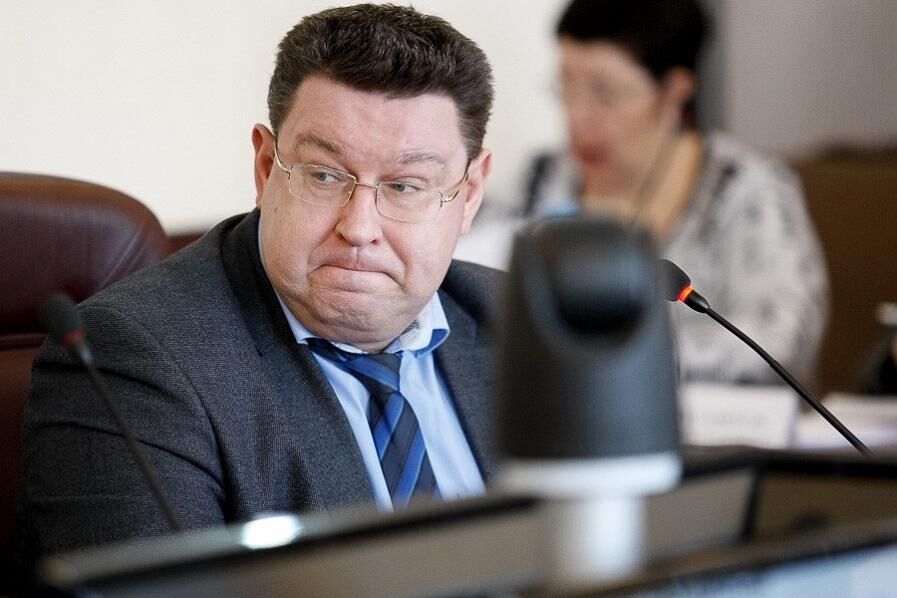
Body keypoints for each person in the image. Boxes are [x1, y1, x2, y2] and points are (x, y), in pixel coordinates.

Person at [18, 4, 496, 559]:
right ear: (267, 168)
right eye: (324, 175)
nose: (359, 228)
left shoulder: (530, 322)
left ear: (469, 194)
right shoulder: (132, 361)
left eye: (405, 186)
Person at [493, 0, 829, 384]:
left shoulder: (749, 189)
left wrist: (605, 358)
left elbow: (783, 343)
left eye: (605, 93)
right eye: (567, 86)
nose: (577, 116)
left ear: (674, 92)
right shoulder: (534, 182)